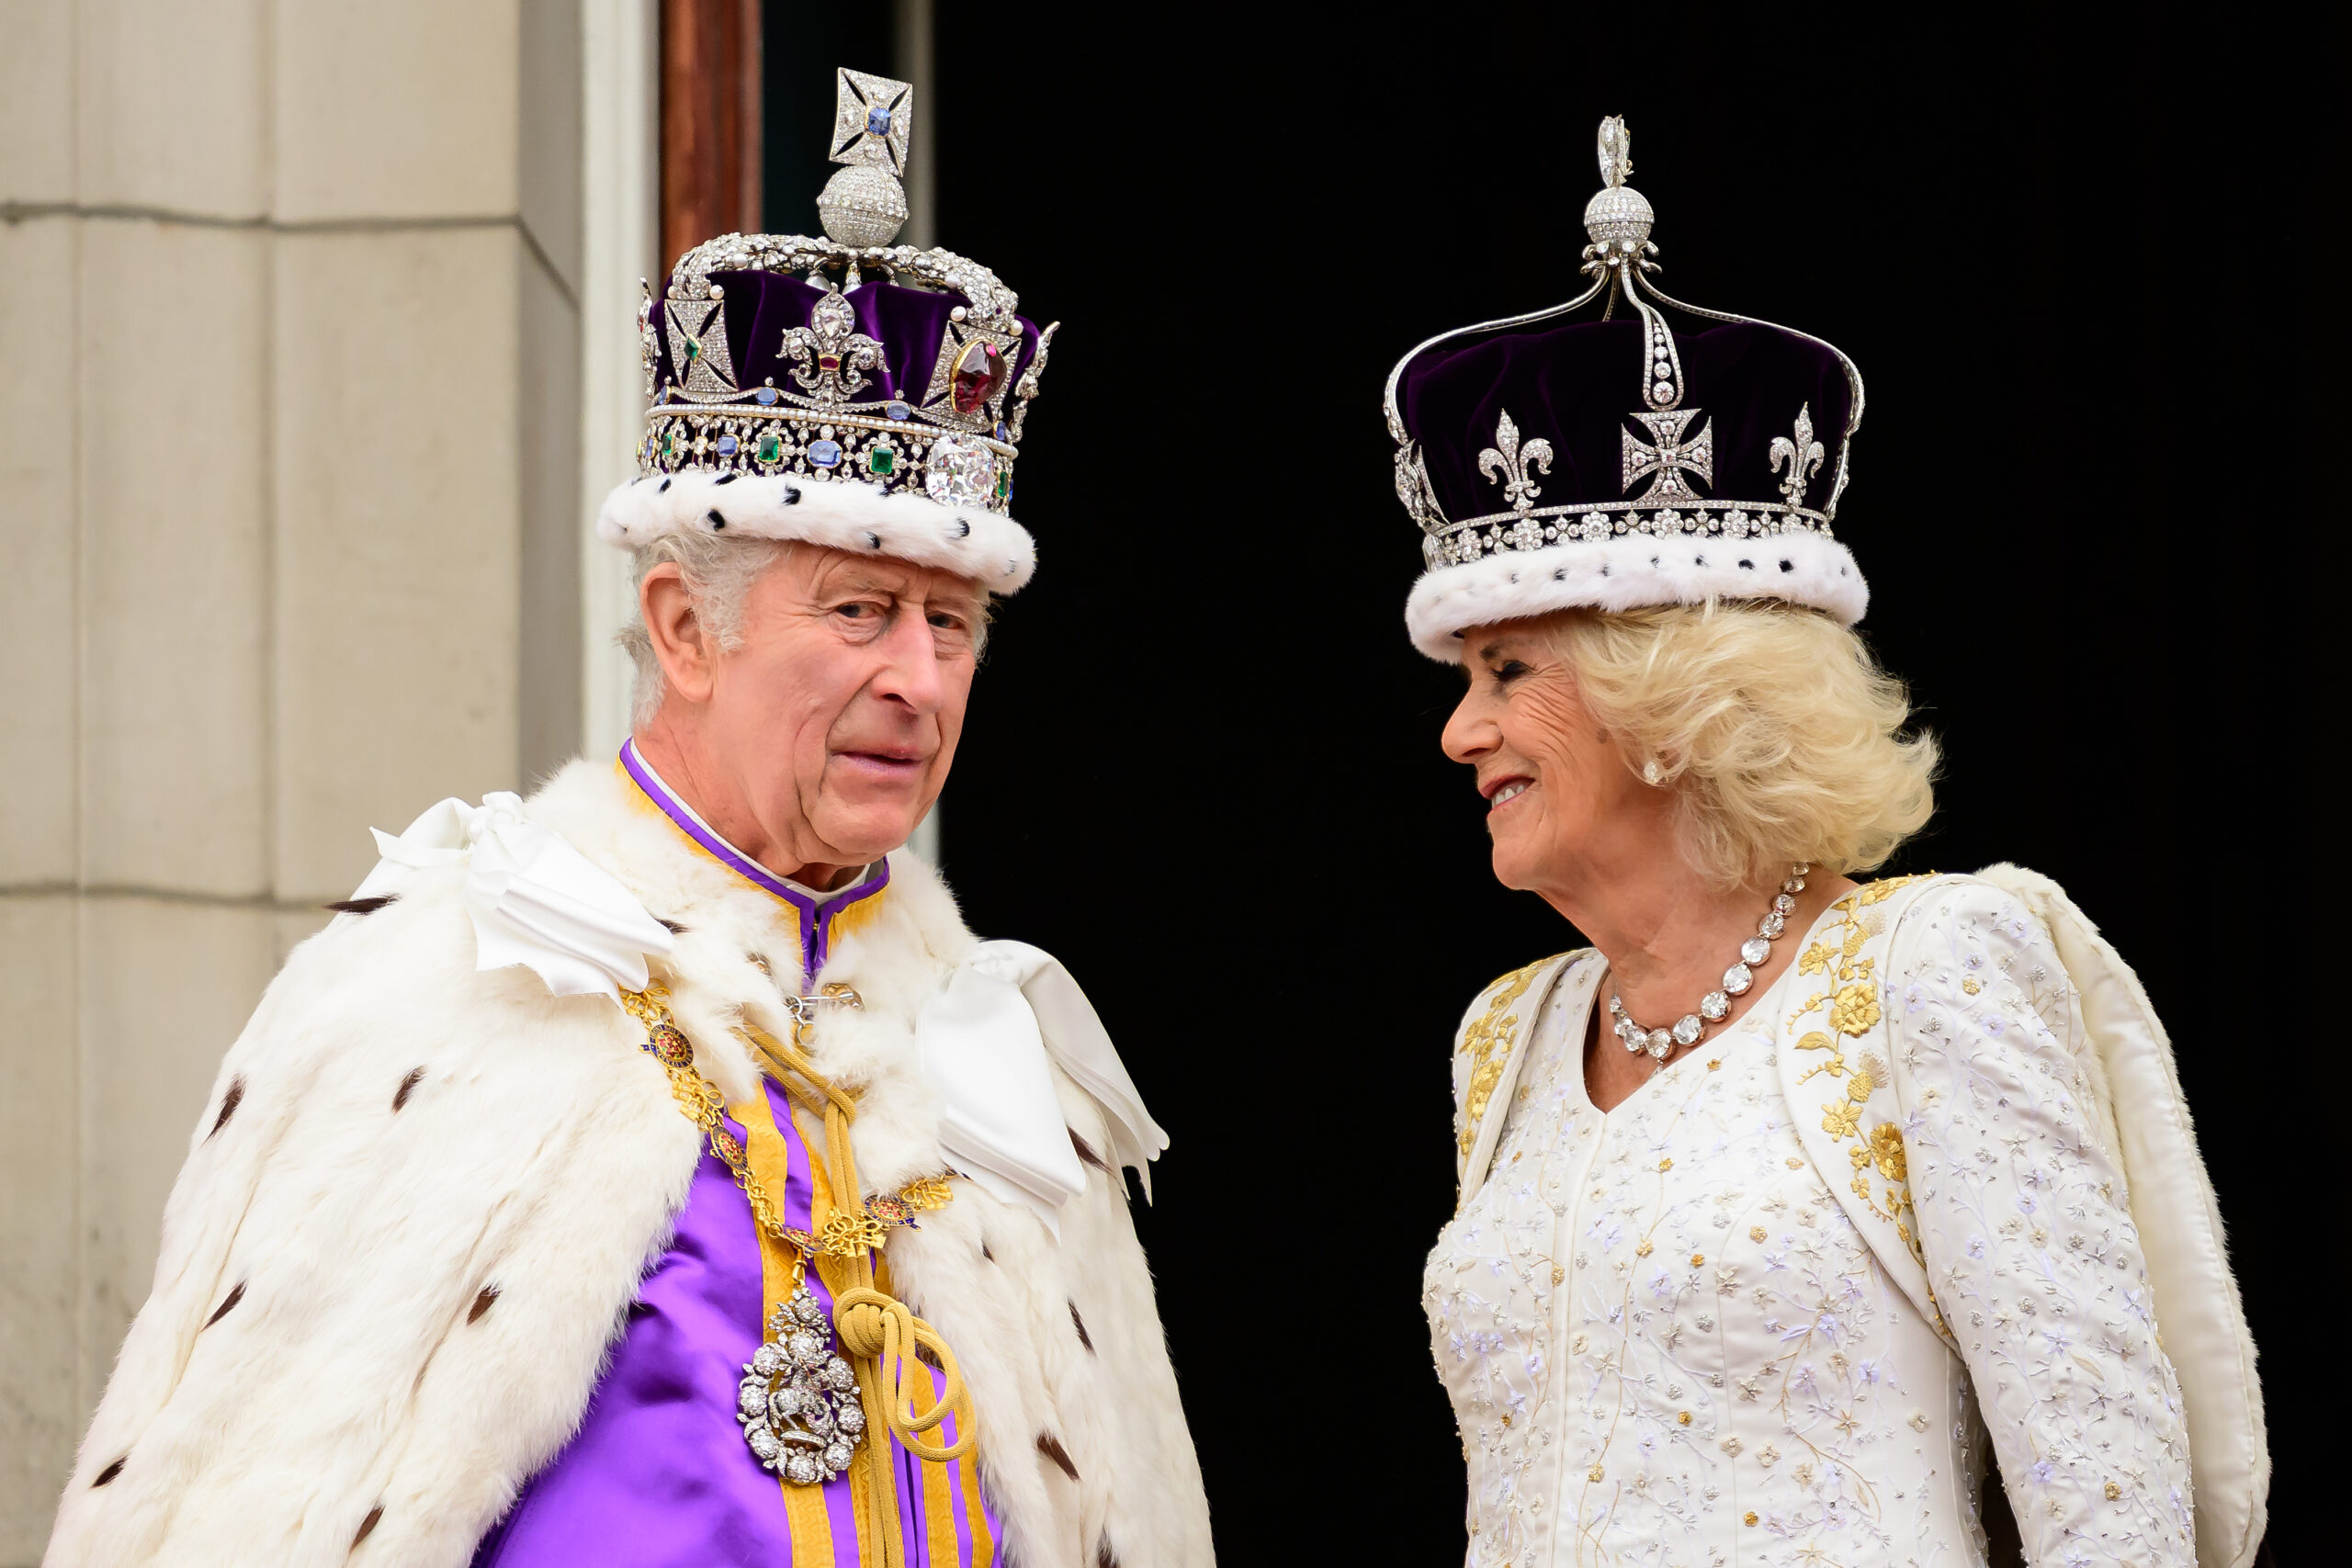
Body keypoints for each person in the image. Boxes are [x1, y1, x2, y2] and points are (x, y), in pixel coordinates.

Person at [44, 68, 1213, 1568]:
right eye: (860, 610)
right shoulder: (438, 980)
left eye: (952, 626)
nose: (916, 680)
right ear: (682, 628)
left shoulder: (1007, 1061)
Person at [1389, 118, 2267, 1568]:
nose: (1460, 735)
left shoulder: (1933, 967)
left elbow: (2109, 1496)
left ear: (1667, 699)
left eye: (1505, 675)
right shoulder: (1507, 1039)